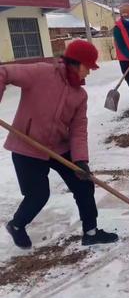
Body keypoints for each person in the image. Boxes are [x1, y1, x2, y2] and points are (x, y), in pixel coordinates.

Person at [1, 40, 119, 248]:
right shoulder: (41, 73)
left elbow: (78, 130)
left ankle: (91, 232)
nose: (89, 73)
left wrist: (81, 160)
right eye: (88, 67)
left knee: (84, 184)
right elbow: (4, 73)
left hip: (59, 147)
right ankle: (17, 225)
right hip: (27, 146)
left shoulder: (79, 95)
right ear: (76, 63)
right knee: (38, 194)